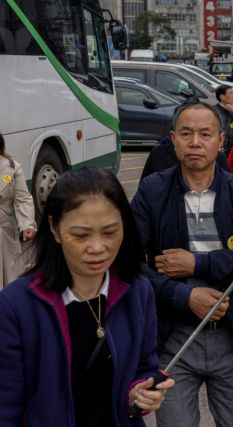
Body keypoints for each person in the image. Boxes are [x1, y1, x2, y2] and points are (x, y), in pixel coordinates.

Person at [131, 102, 233, 427]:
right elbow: (126, 264)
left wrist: (197, 264)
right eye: (186, 133)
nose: (195, 142)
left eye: (205, 134)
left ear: (221, 140)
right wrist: (183, 296)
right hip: (172, 341)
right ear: (172, 139)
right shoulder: (152, 191)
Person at [0, 168, 174, 425]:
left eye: (110, 232)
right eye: (80, 235)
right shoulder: (17, 304)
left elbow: (144, 368)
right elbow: (6, 405)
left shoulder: (138, 292)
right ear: (55, 229)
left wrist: (140, 393)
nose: (97, 248)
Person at [0, 132, 37, 287]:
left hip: (4, 234)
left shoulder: (12, 168)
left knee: (9, 282)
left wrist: (27, 224)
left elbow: (22, 199)